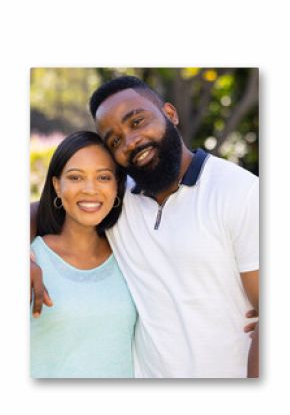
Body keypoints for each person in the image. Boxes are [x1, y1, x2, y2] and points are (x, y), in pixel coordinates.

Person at [31, 76, 259, 378]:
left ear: (170, 113)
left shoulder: (240, 192)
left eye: (137, 121)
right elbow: (44, 207)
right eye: (114, 140)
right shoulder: (116, 196)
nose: (130, 141)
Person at [30, 130, 137, 378]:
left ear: (117, 186)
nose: (90, 189)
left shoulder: (131, 257)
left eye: (103, 177)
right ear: (57, 185)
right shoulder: (32, 260)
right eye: (76, 177)